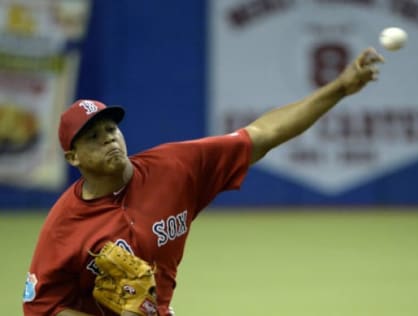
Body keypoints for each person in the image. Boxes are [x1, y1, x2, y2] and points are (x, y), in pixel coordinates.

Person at [22, 47, 384, 316]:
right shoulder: (63, 226)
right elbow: (40, 308)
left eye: (111, 128)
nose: (108, 138)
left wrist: (339, 87)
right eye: (92, 137)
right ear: (73, 158)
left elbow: (263, 134)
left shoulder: (175, 168)